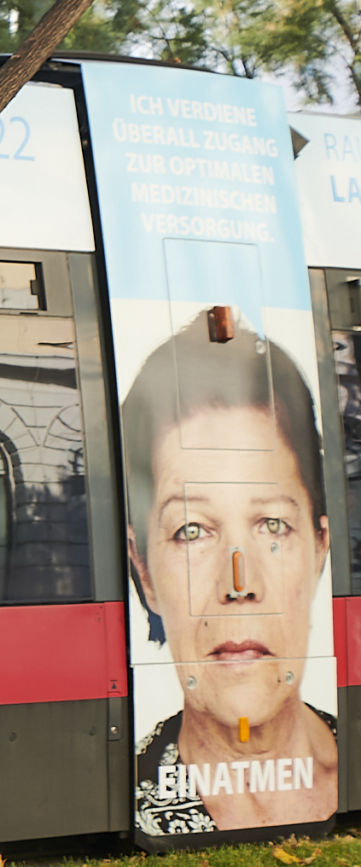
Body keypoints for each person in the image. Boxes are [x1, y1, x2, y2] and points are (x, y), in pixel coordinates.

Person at [122, 311, 340, 835]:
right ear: (145, 572)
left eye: (272, 524)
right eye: (192, 530)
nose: (240, 584)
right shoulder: (132, 786)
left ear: (318, 550)